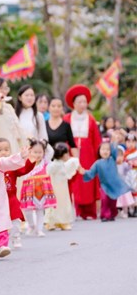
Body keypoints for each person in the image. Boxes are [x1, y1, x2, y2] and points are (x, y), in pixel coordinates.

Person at [63, 84, 102, 220]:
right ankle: (75, 210)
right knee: (74, 181)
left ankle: (89, 211)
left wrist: (99, 155)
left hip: (88, 155)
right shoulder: (67, 118)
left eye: (84, 102)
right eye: (79, 102)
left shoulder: (91, 119)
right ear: (73, 104)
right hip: (71, 153)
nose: (82, 105)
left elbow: (96, 139)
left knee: (87, 180)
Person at [0, 138, 35, 249]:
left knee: (15, 219)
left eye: (6, 149)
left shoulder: (12, 166)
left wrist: (30, 161)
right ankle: (0, 241)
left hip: (11, 198)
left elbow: (24, 169)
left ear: (10, 151)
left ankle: (16, 236)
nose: (3, 152)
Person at [80, 138, 131, 222]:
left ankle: (112, 213)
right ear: (99, 151)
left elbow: (114, 151)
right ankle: (104, 215)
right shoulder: (97, 163)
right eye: (103, 149)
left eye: (107, 149)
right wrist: (84, 172)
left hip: (114, 185)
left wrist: (114, 142)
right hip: (104, 185)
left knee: (112, 201)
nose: (105, 151)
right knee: (104, 199)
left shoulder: (112, 159)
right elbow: (91, 173)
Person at [20, 139, 57, 237]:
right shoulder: (26, 161)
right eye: (35, 152)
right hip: (29, 189)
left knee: (40, 210)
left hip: (42, 189)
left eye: (40, 152)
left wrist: (44, 142)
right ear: (30, 151)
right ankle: (31, 225)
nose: (37, 154)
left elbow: (51, 151)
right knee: (28, 210)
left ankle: (39, 229)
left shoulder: (45, 161)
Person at [0, 77, 26, 155]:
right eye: (1, 88)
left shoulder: (8, 107)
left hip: (11, 145)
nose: (4, 91)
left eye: (6, 88)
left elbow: (18, 126)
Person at [45, 143, 81, 231]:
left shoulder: (62, 164)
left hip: (63, 188)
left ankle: (62, 222)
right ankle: (52, 222)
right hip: (55, 188)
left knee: (62, 204)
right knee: (55, 204)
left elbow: (73, 162)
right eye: (66, 153)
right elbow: (47, 172)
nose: (68, 155)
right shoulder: (54, 165)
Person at [114, 147, 135, 218]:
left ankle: (125, 212)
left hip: (123, 185)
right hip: (116, 185)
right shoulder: (113, 165)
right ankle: (117, 212)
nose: (119, 158)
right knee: (117, 200)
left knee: (125, 199)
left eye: (121, 156)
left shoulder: (124, 164)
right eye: (117, 156)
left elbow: (128, 169)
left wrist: (129, 165)